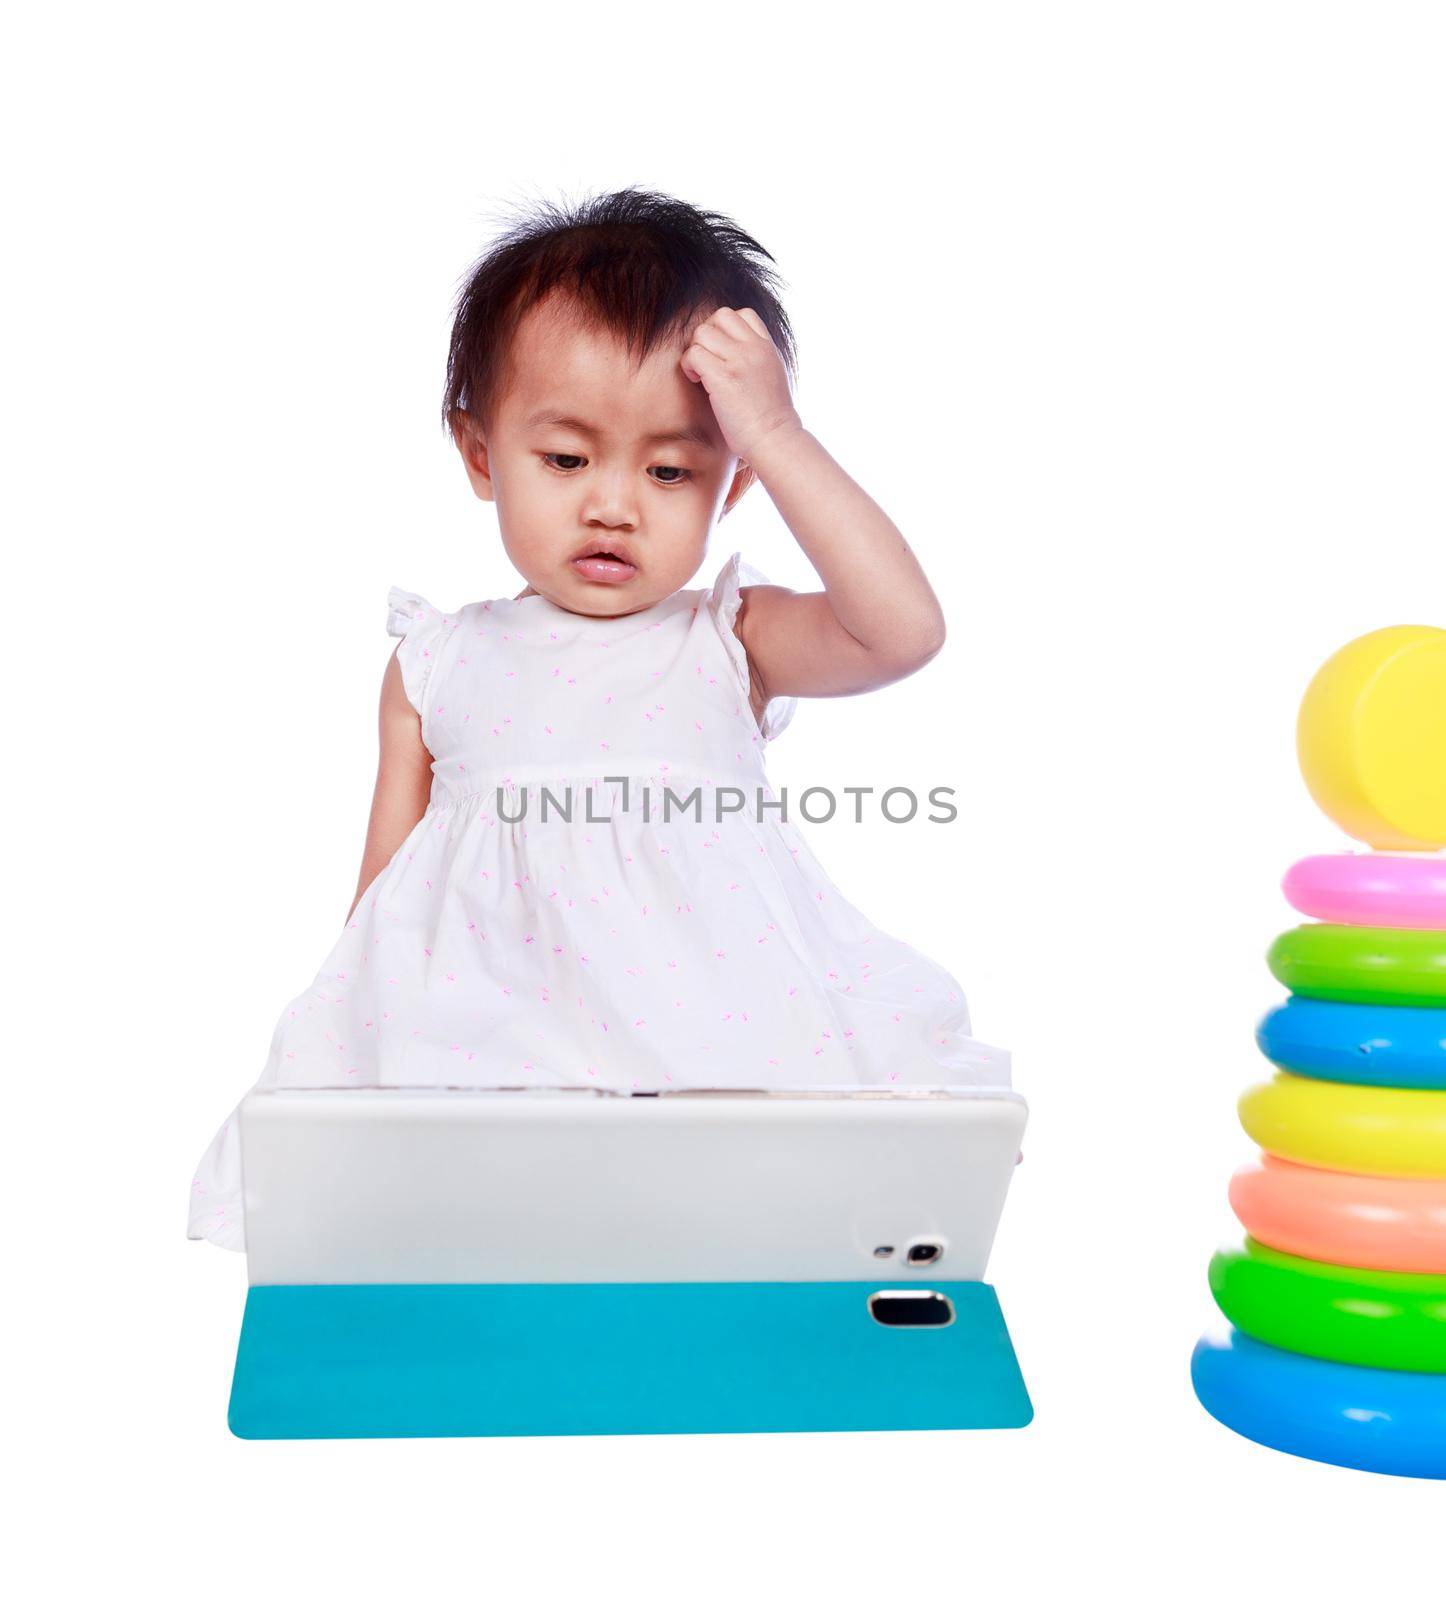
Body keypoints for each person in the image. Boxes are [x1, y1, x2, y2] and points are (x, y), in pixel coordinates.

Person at [188, 188, 1010, 1250]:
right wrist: (348, 1083)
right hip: (492, 1043)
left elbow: (903, 629)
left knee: (733, 1226)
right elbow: (382, 898)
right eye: (566, 459)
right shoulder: (437, 661)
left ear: (734, 486)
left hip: (711, 1032)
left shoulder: (729, 638)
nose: (614, 503)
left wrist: (778, 431)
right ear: (482, 455)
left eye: (672, 470)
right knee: (507, 1243)